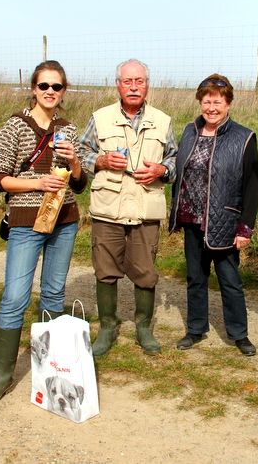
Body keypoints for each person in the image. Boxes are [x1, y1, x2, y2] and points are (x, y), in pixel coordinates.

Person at [0, 60, 87, 405]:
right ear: (33, 89)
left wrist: (73, 162)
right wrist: (37, 183)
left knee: (54, 294)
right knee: (14, 298)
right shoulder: (15, 126)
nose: (50, 93)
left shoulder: (68, 128)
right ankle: (2, 376)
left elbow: (81, 183)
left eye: (57, 87)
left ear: (64, 90)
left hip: (65, 220)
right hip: (26, 222)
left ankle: (50, 368)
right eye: (44, 86)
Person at [80, 59, 177, 356]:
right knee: (105, 269)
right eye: (128, 81)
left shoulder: (163, 121)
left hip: (145, 207)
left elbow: (175, 160)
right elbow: (81, 153)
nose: (133, 86)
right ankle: (107, 327)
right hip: (108, 206)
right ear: (118, 85)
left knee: (145, 271)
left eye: (139, 81)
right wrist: (101, 161)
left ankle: (143, 328)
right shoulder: (100, 117)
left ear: (147, 85)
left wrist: (162, 170)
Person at [169, 74, 258, 356]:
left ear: (228, 103)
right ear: (200, 102)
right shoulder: (189, 131)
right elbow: (179, 173)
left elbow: (251, 185)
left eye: (217, 102)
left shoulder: (244, 137)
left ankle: (239, 334)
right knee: (196, 278)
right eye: (207, 101)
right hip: (191, 219)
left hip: (223, 222)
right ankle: (196, 329)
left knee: (229, 281)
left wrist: (245, 228)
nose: (211, 107)